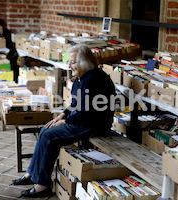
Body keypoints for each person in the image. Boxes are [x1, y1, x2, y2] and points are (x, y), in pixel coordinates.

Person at [12, 44, 115, 198]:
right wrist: (63, 114)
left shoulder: (94, 80)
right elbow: (75, 105)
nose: (69, 65)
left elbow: (86, 112)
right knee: (45, 130)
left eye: (72, 62)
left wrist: (65, 121)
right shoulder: (82, 77)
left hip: (94, 124)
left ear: (83, 63)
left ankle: (42, 185)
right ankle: (31, 174)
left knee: (49, 136)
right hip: (83, 119)